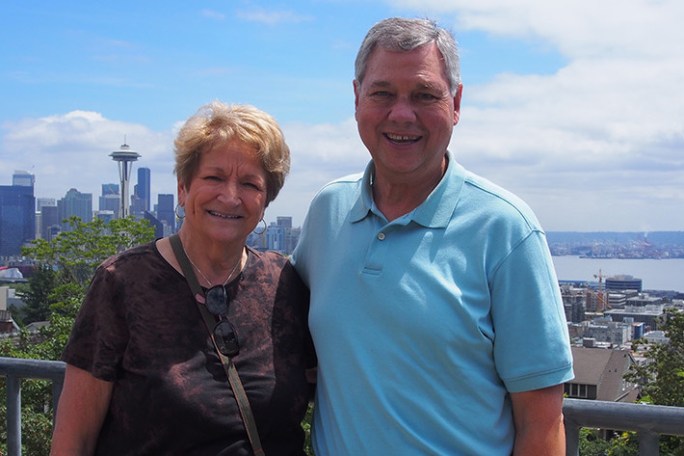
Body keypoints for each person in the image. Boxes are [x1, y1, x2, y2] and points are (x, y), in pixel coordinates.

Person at [292, 17, 574, 455]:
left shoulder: (506, 229)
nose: (401, 114)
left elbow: (541, 424)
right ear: (356, 98)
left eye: (424, 95)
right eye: (382, 93)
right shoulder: (328, 211)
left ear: (456, 103)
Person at [51, 101, 315, 455]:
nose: (231, 196)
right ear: (183, 188)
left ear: (265, 200)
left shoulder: (284, 283)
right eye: (214, 177)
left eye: (250, 183)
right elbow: (74, 442)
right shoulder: (123, 284)